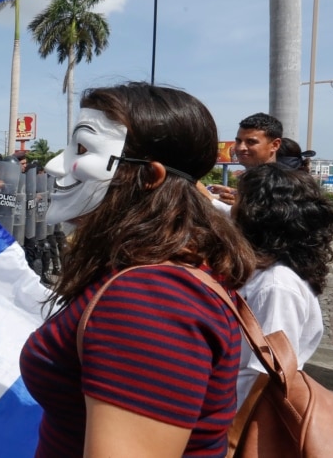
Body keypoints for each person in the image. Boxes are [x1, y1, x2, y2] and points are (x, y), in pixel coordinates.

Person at [21, 82, 256, 457]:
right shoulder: (152, 267)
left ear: (150, 177)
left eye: (82, 149)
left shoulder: (152, 299)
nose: (53, 165)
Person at [232, 163, 333, 404]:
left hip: (240, 412)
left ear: (256, 213)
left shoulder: (276, 285)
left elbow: (268, 371)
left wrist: (232, 437)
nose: (233, 207)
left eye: (240, 198)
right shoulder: (269, 270)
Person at [211, 112, 283, 207]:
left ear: (275, 145)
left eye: (251, 142)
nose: (241, 147)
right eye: (238, 141)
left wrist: (209, 198)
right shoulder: (250, 179)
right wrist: (232, 193)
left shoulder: (282, 183)